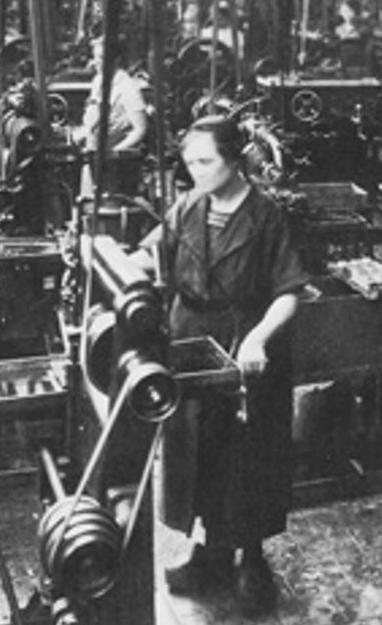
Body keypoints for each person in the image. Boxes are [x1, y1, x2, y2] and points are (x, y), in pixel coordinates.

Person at [137, 116, 308, 614]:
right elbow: (153, 253)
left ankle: (251, 562)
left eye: (205, 161)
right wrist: (109, 258)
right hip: (190, 339)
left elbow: (290, 292)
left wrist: (258, 338)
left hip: (244, 347)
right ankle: (208, 554)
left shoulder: (266, 216)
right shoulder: (188, 205)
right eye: (189, 162)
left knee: (245, 462)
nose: (195, 170)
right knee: (198, 455)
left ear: (234, 160)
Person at [78, 36, 149, 154]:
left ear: (115, 60)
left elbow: (140, 130)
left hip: (112, 156)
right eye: (94, 57)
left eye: (101, 58)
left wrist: (115, 152)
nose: (95, 62)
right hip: (92, 150)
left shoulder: (127, 87)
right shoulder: (98, 80)